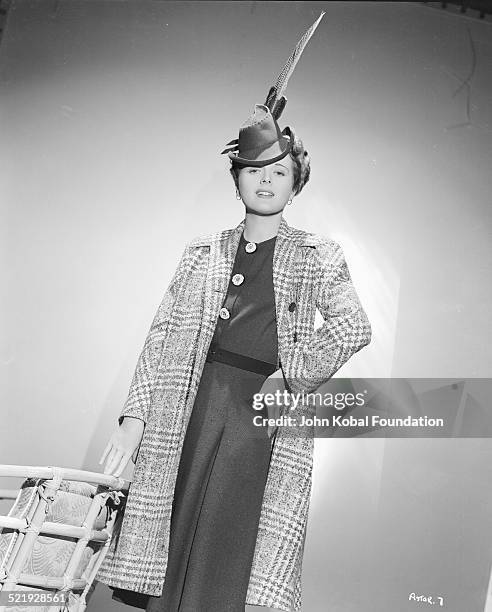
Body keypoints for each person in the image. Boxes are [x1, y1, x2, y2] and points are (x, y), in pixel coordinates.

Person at [95, 12, 371, 612]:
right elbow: (161, 337)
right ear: (237, 179)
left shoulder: (318, 255)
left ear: (295, 180)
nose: (265, 182)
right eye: (253, 172)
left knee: (235, 542)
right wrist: (135, 417)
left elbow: (354, 325)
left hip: (261, 411)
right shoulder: (202, 254)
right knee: (174, 525)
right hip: (191, 402)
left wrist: (294, 375)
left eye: (277, 172)